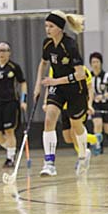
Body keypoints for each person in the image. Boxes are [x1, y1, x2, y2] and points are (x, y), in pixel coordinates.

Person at [33, 10, 90, 177]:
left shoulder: (70, 45)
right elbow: (43, 63)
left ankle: (83, 154)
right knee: (49, 119)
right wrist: (38, 86)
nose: (47, 29)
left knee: (76, 125)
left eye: (51, 26)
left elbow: (81, 74)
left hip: (76, 90)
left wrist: (55, 81)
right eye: (46, 26)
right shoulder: (47, 44)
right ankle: (49, 163)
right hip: (57, 88)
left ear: (60, 28)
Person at [43, 65, 100, 164]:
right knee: (68, 138)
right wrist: (46, 102)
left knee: (74, 132)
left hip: (77, 105)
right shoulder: (54, 68)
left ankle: (82, 157)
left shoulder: (82, 69)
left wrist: (89, 104)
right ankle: (94, 138)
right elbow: (50, 85)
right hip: (64, 107)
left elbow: (90, 88)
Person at [90, 52, 108, 152]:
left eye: (97, 62)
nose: (95, 64)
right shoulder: (89, 77)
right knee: (97, 124)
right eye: (93, 62)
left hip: (107, 104)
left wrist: (106, 95)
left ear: (101, 63)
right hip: (95, 104)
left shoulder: (107, 77)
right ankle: (98, 147)